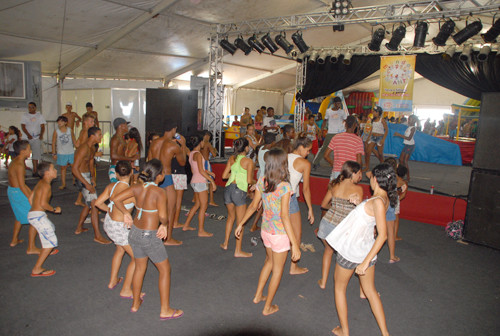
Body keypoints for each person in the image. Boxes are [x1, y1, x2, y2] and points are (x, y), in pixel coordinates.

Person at [326, 163, 397, 336]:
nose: (368, 179)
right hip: (365, 248)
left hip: (353, 250)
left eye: (371, 177)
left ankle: (345, 330)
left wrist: (364, 264)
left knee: (339, 288)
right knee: (371, 292)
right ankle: (385, 333)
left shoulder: (377, 202)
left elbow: (383, 235)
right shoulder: (383, 199)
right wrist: (360, 203)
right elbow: (370, 214)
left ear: (376, 179)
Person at [111, 159, 183, 319]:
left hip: (134, 233)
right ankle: (165, 310)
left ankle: (136, 303)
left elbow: (115, 199)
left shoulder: (137, 187)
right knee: (165, 270)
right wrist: (164, 225)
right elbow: (164, 216)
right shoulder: (159, 192)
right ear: (159, 176)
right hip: (149, 236)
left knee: (139, 268)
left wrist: (126, 213)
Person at [234, 148, 301, 316]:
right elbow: (285, 217)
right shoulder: (285, 186)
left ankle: (258, 296)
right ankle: (268, 306)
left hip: (266, 231)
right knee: (277, 270)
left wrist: (241, 223)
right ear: (283, 164)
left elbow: (252, 206)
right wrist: (295, 244)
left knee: (269, 263)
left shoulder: (263, 181)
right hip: (279, 234)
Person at [94, 161, 140, 298]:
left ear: (116, 174)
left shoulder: (111, 186)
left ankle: (113, 280)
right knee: (137, 258)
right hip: (120, 227)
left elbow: (97, 203)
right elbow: (140, 210)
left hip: (109, 223)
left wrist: (109, 209)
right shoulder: (132, 192)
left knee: (120, 249)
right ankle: (126, 289)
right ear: (131, 173)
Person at [317, 161, 363, 289]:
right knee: (343, 257)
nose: (361, 177)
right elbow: (359, 211)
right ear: (353, 173)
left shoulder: (335, 185)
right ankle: (342, 285)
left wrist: (335, 208)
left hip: (327, 225)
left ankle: (323, 282)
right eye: (359, 173)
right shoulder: (358, 189)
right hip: (343, 229)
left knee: (328, 251)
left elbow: (323, 205)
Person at [72, 126, 111, 244]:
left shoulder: (92, 147)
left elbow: (90, 162)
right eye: (99, 135)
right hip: (81, 177)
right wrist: (86, 184)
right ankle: (97, 235)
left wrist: (92, 177)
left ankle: (79, 228)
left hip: (87, 177)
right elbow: (74, 168)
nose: (101, 137)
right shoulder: (83, 148)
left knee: (89, 204)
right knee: (94, 204)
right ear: (92, 136)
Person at [220, 138, 255, 257]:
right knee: (241, 222)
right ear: (245, 148)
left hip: (228, 189)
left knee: (231, 217)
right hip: (238, 191)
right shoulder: (248, 161)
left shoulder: (232, 158)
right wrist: (257, 181)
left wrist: (236, 174)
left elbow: (224, 176)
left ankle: (225, 243)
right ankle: (238, 250)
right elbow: (249, 180)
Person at [286, 135, 315, 274]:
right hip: (290, 199)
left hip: (276, 197)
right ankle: (293, 266)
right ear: (301, 147)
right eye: (308, 150)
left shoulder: (284, 156)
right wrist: (310, 208)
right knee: (297, 234)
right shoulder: (304, 163)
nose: (308, 153)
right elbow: (306, 189)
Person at [27, 162, 61, 277]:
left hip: (34, 214)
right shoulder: (46, 185)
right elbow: (43, 203)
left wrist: (37, 211)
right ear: (47, 173)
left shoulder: (40, 183)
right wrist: (54, 209)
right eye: (53, 169)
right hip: (37, 215)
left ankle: (46, 249)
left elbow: (31, 198)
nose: (56, 170)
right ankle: (37, 269)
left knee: (50, 227)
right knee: (51, 242)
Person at [181, 135, 217, 236]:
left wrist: (209, 173)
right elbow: (200, 171)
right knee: (203, 206)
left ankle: (186, 225)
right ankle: (201, 231)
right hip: (200, 182)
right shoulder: (199, 154)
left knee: (197, 204)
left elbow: (195, 170)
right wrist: (212, 181)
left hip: (194, 181)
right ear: (200, 142)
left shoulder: (192, 153)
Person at [158, 124, 187, 246]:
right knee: (171, 208)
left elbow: (149, 159)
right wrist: (183, 146)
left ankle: (153, 232)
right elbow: (182, 162)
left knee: (155, 207)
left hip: (154, 176)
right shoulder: (172, 145)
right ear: (174, 129)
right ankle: (168, 238)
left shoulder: (155, 142)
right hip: (167, 176)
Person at [8, 140, 39, 253]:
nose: (30, 151)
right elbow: (21, 185)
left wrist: (31, 194)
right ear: (22, 151)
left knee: (19, 216)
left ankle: (14, 240)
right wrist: (31, 199)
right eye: (29, 149)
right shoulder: (20, 165)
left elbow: (22, 184)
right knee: (35, 218)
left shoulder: (15, 161)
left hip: (13, 191)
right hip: (17, 192)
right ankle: (31, 247)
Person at [324, 115, 364, 181]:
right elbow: (359, 161)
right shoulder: (358, 140)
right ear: (355, 125)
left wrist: (333, 163)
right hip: (350, 173)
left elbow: (326, 155)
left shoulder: (336, 137)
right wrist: (359, 172)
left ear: (345, 125)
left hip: (337, 172)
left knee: (335, 190)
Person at [250, 132, 276, 232]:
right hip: (266, 179)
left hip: (261, 176)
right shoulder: (269, 153)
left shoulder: (261, 148)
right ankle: (263, 226)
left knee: (261, 204)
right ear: (273, 142)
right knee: (266, 204)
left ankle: (254, 225)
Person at [312, 96, 348, 169]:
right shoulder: (328, 111)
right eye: (337, 103)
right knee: (324, 148)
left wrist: (345, 130)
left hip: (340, 133)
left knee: (340, 149)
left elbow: (346, 121)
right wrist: (321, 131)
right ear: (334, 104)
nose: (339, 105)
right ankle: (315, 162)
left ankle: (340, 164)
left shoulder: (342, 112)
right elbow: (325, 121)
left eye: (339, 103)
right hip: (331, 132)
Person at [74, 113, 96, 207]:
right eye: (91, 122)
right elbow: (82, 147)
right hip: (83, 161)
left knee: (86, 181)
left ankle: (79, 200)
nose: (93, 123)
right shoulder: (86, 132)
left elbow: (77, 144)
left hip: (84, 159)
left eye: (93, 121)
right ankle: (92, 205)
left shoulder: (83, 131)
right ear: (85, 122)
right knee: (86, 181)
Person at [21, 102, 46, 176]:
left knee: (36, 154)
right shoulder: (25, 115)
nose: (30, 108)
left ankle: (35, 169)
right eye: (29, 107)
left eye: (32, 107)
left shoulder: (39, 115)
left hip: (36, 137)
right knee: (24, 153)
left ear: (35, 108)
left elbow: (42, 126)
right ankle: (22, 169)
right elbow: (23, 126)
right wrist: (28, 135)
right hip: (27, 137)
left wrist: (41, 135)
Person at [51, 116, 76, 190]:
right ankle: (63, 184)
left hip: (70, 152)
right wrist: (54, 153)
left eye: (61, 121)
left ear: (65, 122)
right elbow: (53, 143)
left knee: (74, 167)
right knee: (63, 168)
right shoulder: (56, 131)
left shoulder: (70, 130)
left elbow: (74, 140)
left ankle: (75, 180)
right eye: (58, 121)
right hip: (61, 153)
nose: (59, 123)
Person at [109, 118, 137, 183]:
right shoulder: (115, 139)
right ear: (121, 126)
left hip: (121, 167)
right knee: (118, 189)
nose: (127, 127)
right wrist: (129, 158)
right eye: (126, 125)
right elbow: (113, 155)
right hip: (116, 168)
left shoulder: (121, 138)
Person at [393, 114, 417, 181]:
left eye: (410, 119)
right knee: (401, 159)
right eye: (408, 119)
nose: (409, 120)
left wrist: (399, 135)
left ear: (414, 120)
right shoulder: (409, 127)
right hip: (407, 145)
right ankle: (401, 173)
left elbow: (409, 138)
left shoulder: (413, 128)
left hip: (410, 145)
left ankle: (408, 176)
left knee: (405, 161)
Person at [364, 106, 388, 171]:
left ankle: (383, 164)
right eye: (373, 111)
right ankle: (367, 166)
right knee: (368, 152)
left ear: (378, 113)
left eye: (375, 112)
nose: (373, 113)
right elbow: (372, 130)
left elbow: (386, 130)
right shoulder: (373, 120)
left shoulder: (382, 120)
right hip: (373, 137)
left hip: (380, 137)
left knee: (380, 153)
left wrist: (383, 139)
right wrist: (368, 138)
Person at [201, 130, 218, 207]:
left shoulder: (199, 143)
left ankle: (195, 198)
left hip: (199, 162)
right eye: (206, 135)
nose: (207, 137)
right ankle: (211, 200)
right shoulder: (208, 144)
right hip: (206, 163)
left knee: (199, 180)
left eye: (209, 136)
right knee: (210, 182)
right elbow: (214, 154)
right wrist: (214, 150)